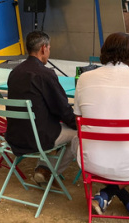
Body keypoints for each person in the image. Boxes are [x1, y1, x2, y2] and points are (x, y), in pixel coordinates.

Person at [74, 33, 129, 218]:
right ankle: (122, 197)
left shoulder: (84, 79)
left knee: (78, 139)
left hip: (91, 162)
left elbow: (79, 122)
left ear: (104, 51)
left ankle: (106, 195)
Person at [6, 30, 77, 185]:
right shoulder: (45, 74)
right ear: (43, 48)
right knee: (76, 134)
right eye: (49, 48)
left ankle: (43, 168)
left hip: (14, 135)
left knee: (54, 126)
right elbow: (62, 109)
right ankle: (49, 171)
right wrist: (78, 124)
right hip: (37, 137)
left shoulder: (14, 72)